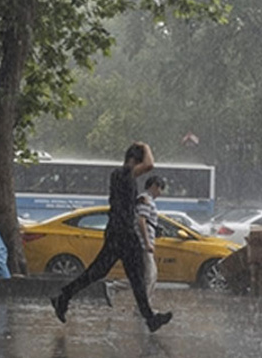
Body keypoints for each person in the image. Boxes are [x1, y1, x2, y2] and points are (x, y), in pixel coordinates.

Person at [51, 142, 172, 333]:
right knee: (128, 276)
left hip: (119, 232)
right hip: (122, 234)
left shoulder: (123, 178)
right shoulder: (123, 173)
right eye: (139, 162)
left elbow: (122, 202)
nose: (142, 168)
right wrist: (146, 145)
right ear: (134, 160)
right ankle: (63, 297)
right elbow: (150, 165)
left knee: (112, 273)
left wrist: (134, 202)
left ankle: (64, 297)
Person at [136, 175, 166, 301]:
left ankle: (112, 287)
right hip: (143, 243)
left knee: (144, 276)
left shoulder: (145, 200)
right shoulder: (145, 200)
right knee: (151, 276)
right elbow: (141, 220)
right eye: (160, 189)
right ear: (154, 186)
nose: (161, 192)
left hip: (144, 242)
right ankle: (144, 306)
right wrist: (148, 243)